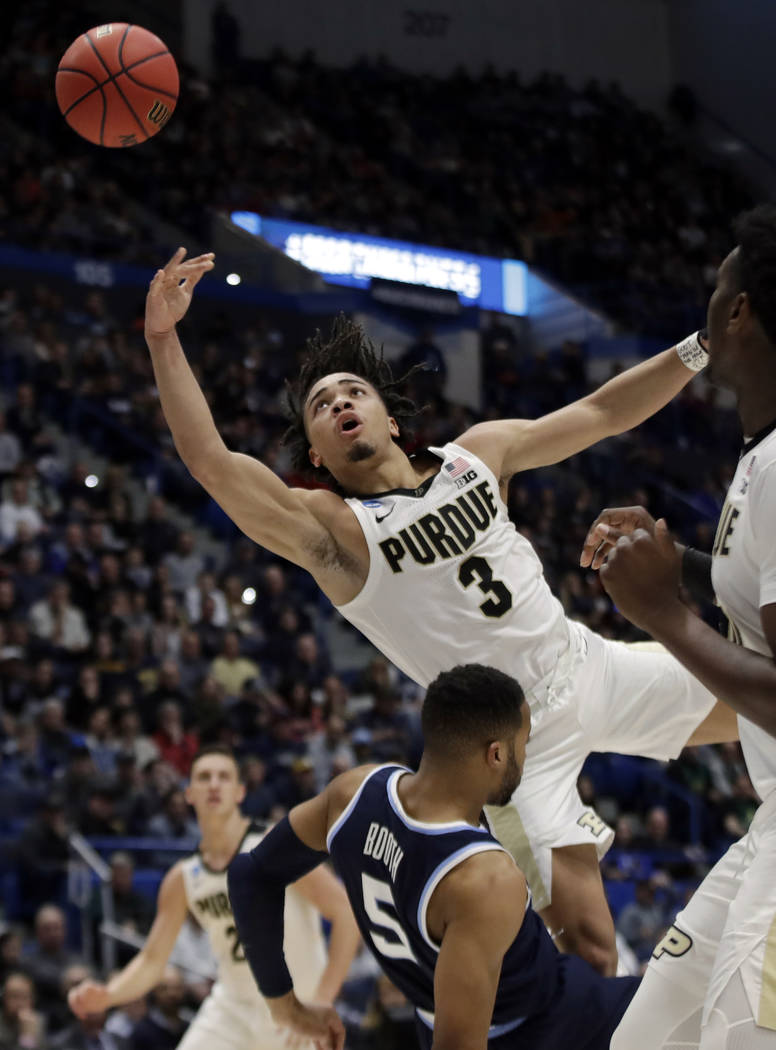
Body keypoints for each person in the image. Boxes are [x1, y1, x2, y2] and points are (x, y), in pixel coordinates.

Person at [143, 247, 737, 975]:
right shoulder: (336, 534)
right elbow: (211, 463)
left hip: (592, 666)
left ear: (389, 417)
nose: (337, 405)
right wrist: (164, 340)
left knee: (764, 701)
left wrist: (703, 346)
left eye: (350, 392)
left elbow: (602, 411)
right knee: (590, 952)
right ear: (320, 458)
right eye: (320, 407)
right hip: (514, 749)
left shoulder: (478, 455)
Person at [580, 203, 776, 1046]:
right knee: (645, 1038)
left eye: (719, 282)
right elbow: (754, 594)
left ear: (738, 310)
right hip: (770, 820)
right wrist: (676, 562)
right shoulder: (761, 453)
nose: (710, 297)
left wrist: (660, 612)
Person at [227, 663, 639, 1050]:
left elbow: (250, 874)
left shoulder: (354, 794)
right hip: (547, 1025)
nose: (524, 756)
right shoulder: (483, 878)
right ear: (495, 754)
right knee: (690, 993)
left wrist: (285, 1007)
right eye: (522, 743)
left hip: (437, 1018)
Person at [68, 745, 361, 1050]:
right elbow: (152, 960)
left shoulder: (275, 845)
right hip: (232, 1008)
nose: (214, 784)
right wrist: (109, 994)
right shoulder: (183, 876)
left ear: (239, 792)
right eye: (204, 777)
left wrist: (322, 999)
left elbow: (346, 915)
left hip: (297, 1005)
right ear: (189, 794)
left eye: (224, 777)